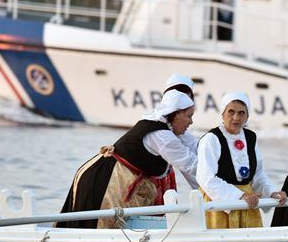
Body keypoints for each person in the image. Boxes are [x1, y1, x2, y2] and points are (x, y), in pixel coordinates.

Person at [57, 90, 198, 229]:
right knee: (100, 225)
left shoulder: (160, 126)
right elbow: (192, 165)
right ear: (176, 114)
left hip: (109, 173)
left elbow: (192, 150)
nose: (191, 122)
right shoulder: (162, 136)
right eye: (189, 116)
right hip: (107, 178)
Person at [196, 92, 287, 229]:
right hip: (220, 202)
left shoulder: (250, 137)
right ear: (222, 114)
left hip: (248, 200)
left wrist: (273, 193)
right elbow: (206, 178)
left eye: (241, 113)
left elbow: (258, 174)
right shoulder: (211, 139)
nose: (236, 118)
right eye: (231, 112)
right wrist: (239, 196)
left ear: (247, 116)